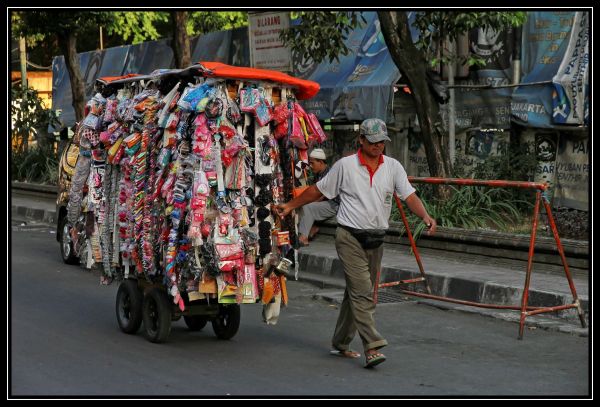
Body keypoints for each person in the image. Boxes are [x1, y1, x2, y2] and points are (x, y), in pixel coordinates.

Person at [276, 118, 436, 368]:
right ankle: (372, 346)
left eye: (382, 142)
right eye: (373, 142)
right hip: (349, 236)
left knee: (356, 293)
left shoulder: (393, 167)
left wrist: (425, 216)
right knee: (363, 292)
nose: (378, 146)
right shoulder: (345, 166)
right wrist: (290, 206)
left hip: (376, 240)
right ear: (361, 140)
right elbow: (318, 190)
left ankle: (340, 341)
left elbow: (409, 195)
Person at [297, 148, 340, 246]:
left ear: (320, 162)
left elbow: (320, 196)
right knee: (304, 205)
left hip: (336, 205)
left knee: (307, 207)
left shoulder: (329, 174)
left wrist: (305, 201)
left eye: (312, 163)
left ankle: (303, 237)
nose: (311, 166)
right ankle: (312, 228)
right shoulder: (319, 173)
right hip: (328, 203)